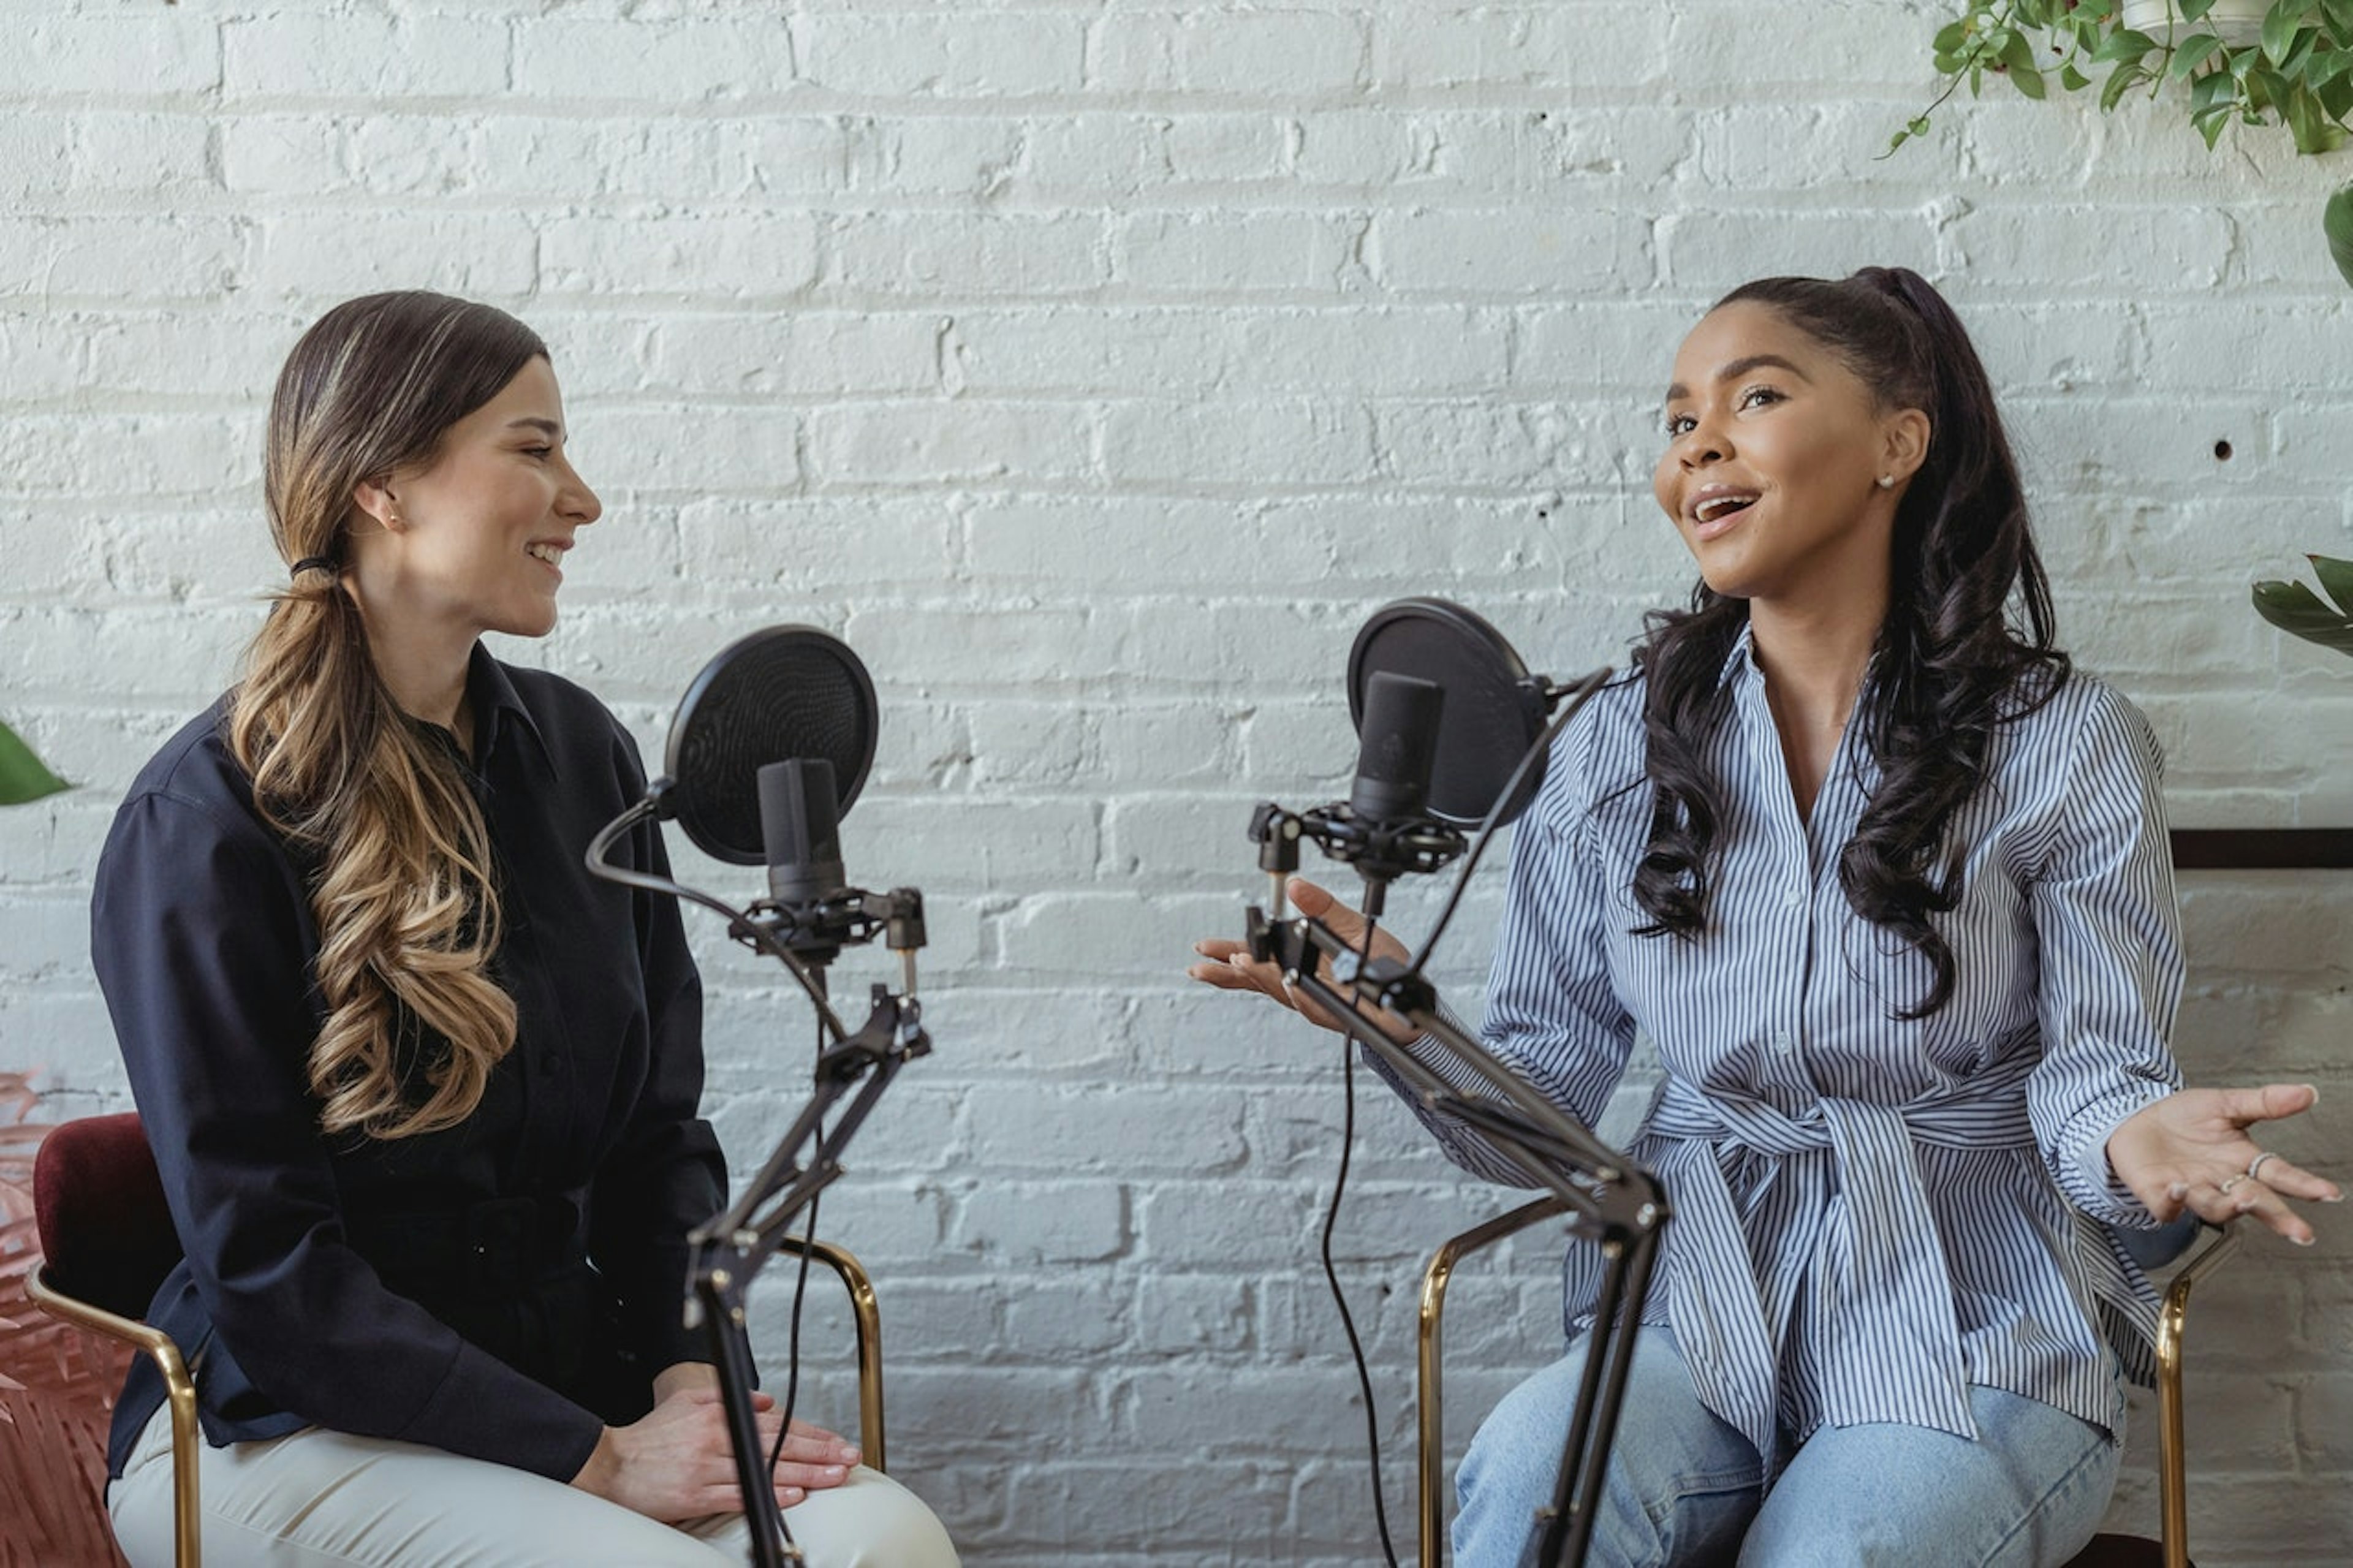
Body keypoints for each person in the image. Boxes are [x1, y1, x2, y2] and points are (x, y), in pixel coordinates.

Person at [1189, 267, 2339, 1566]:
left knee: (1844, 1546)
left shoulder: (2064, 741)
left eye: (1758, 397)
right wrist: (1406, 1024)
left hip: (1976, 1311)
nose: (1702, 445)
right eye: (1680, 420)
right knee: (1523, 1485)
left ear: (1897, 443)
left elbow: (2093, 1061)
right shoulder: (1607, 743)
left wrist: (2137, 1129)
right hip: (1695, 1298)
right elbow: (1546, 1118)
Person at [91, 291, 959, 1568]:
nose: (584, 499)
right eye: (536, 448)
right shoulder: (205, 821)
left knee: (888, 1538)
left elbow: (657, 1138)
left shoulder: (585, 761)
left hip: (574, 1385)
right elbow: (270, 1270)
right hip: (293, 1432)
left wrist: (674, 1373)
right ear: (385, 483)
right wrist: (598, 1458)